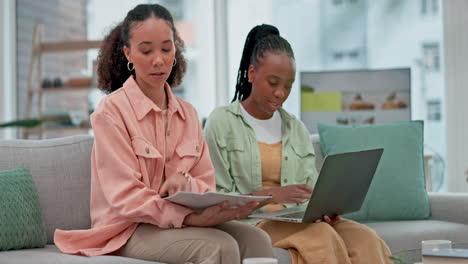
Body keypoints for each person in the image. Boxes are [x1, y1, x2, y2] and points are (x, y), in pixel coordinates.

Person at [54, 4, 274, 264]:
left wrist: (187, 186)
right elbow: (125, 197)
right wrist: (188, 217)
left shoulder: (188, 114)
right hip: (127, 229)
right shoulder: (110, 112)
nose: (158, 60)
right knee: (220, 246)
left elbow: (205, 183)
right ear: (129, 53)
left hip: (180, 222)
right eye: (146, 50)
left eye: (167, 49)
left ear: (175, 51)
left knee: (258, 239)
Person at [203, 24, 392, 264]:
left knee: (365, 237)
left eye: (288, 85)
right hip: (252, 222)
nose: (281, 93)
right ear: (251, 73)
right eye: (273, 83)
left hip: (297, 218)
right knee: (321, 237)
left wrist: (324, 209)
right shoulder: (221, 122)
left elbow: (310, 188)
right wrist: (271, 195)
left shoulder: (296, 128)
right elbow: (217, 199)